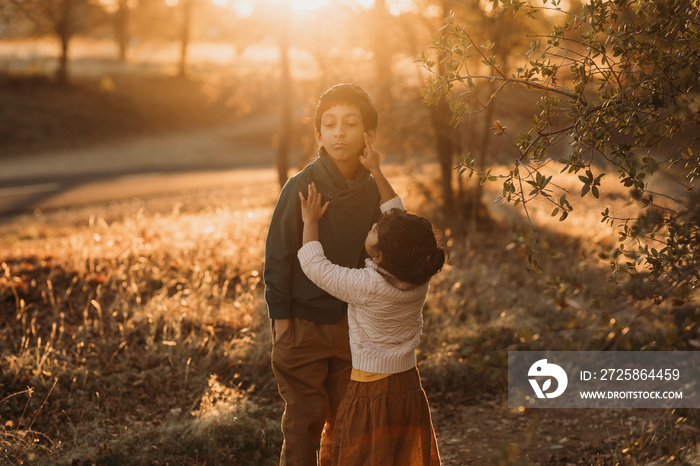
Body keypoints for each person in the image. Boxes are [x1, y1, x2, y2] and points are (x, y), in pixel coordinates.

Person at [297, 140, 446, 466]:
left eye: (375, 229)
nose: (375, 222)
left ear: (378, 255)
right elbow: (399, 219)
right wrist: (377, 170)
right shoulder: (417, 275)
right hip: (408, 385)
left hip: (370, 391)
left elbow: (314, 266)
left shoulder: (365, 285)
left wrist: (310, 221)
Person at [264, 83, 385, 465]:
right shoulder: (302, 186)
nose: (339, 132)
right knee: (304, 419)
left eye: (351, 124)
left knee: (347, 421)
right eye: (330, 124)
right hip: (302, 324)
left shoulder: (371, 191)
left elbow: (391, 244)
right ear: (318, 134)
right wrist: (282, 324)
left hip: (351, 325)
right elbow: (278, 257)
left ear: (369, 135)